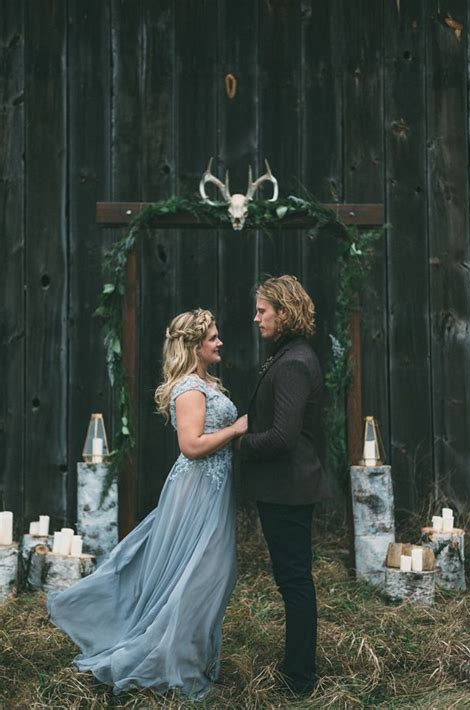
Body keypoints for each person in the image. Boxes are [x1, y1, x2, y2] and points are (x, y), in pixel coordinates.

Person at [47, 308, 247, 698]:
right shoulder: (190, 388)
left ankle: (189, 657)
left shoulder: (208, 382)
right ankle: (168, 662)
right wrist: (237, 428)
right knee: (199, 574)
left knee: (215, 573)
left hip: (215, 489)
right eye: (212, 337)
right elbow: (191, 447)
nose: (219, 342)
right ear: (193, 345)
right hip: (196, 490)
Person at [239, 275, 324, 696]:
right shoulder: (287, 354)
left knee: (294, 581)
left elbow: (282, 437)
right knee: (293, 579)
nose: (256, 319)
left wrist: (241, 443)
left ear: (284, 313)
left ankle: (299, 679)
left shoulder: (293, 362)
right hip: (284, 488)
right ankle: (298, 671)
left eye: (262, 311)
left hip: (289, 489)